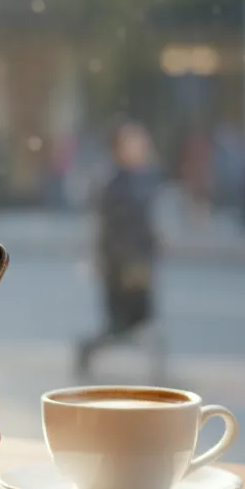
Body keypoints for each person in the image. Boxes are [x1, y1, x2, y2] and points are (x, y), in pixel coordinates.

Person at [76, 122, 164, 380]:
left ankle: (159, 371)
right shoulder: (114, 183)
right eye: (134, 142)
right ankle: (88, 351)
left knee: (137, 322)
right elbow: (110, 229)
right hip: (123, 265)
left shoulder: (143, 179)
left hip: (139, 261)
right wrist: (118, 262)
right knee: (122, 325)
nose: (141, 147)